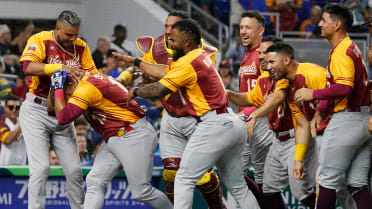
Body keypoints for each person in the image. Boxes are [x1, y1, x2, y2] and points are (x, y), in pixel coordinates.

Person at [117, 19, 261, 209]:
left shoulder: (187, 63)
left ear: (187, 41)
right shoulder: (199, 56)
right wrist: (137, 62)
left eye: (174, 40)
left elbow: (159, 90)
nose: (170, 44)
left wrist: (135, 92)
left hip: (214, 124)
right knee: (238, 188)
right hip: (232, 121)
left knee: (184, 178)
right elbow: (166, 72)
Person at [128, 10, 226, 209]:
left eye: (173, 27)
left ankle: (218, 207)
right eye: (166, 26)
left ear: (187, 33)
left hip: (197, 119)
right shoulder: (154, 48)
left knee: (203, 177)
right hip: (170, 116)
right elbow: (145, 74)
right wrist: (142, 76)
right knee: (170, 173)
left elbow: (174, 79)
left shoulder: (204, 53)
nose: (168, 31)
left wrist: (149, 77)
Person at [49, 71, 173, 209]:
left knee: (141, 191)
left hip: (133, 135)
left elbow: (63, 118)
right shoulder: (90, 80)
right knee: (94, 180)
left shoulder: (86, 87)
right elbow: (54, 110)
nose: (68, 98)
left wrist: (58, 88)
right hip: (117, 136)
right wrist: (58, 88)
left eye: (67, 93)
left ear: (72, 82)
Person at [294, 3, 372, 208]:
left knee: (327, 181)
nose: (319, 24)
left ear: (337, 24)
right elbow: (340, 85)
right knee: (357, 184)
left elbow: (344, 88)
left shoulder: (342, 51)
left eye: (324, 20)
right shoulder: (350, 47)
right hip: (364, 121)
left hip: (347, 120)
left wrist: (313, 94)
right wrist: (320, 110)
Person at [19, 10, 97, 209]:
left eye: (76, 34)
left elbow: (93, 76)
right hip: (37, 108)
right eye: (68, 34)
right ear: (57, 29)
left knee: (74, 170)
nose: (72, 39)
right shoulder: (41, 39)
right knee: (41, 168)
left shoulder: (81, 46)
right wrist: (61, 68)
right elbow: (28, 66)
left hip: (63, 110)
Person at [228, 38, 319, 209]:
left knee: (301, 193)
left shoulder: (284, 77)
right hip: (278, 140)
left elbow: (279, 96)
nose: (262, 57)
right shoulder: (264, 78)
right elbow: (248, 98)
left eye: (267, 54)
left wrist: (254, 115)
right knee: (269, 190)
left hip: (295, 137)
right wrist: (227, 93)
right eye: (260, 53)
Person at [238, 11, 273, 195]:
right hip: (246, 120)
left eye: (248, 27)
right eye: (241, 27)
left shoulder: (263, 55)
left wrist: (247, 113)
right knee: (239, 172)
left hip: (261, 119)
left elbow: (268, 92)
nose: (243, 31)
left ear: (260, 31)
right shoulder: (246, 55)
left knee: (260, 176)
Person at [0, 95, 26, 165]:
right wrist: (23, 126)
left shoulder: (24, 122)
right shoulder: (1, 122)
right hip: (3, 169)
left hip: (22, 168)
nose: (14, 110)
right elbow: (7, 140)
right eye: (11, 107)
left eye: (17, 107)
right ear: (5, 108)